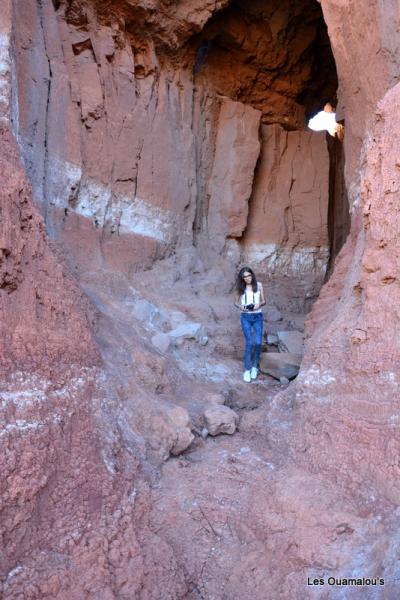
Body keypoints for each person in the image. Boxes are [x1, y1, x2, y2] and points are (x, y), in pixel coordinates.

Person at [234, 267, 266, 382]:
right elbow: (236, 302)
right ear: (242, 279)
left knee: (257, 343)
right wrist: (241, 307)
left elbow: (264, 301)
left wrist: (258, 305)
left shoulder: (259, 285)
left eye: (249, 276)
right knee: (249, 342)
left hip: (257, 316)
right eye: (245, 277)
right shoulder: (240, 288)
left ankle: (254, 367)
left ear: (252, 275)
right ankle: (247, 370)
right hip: (245, 317)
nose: (247, 278)